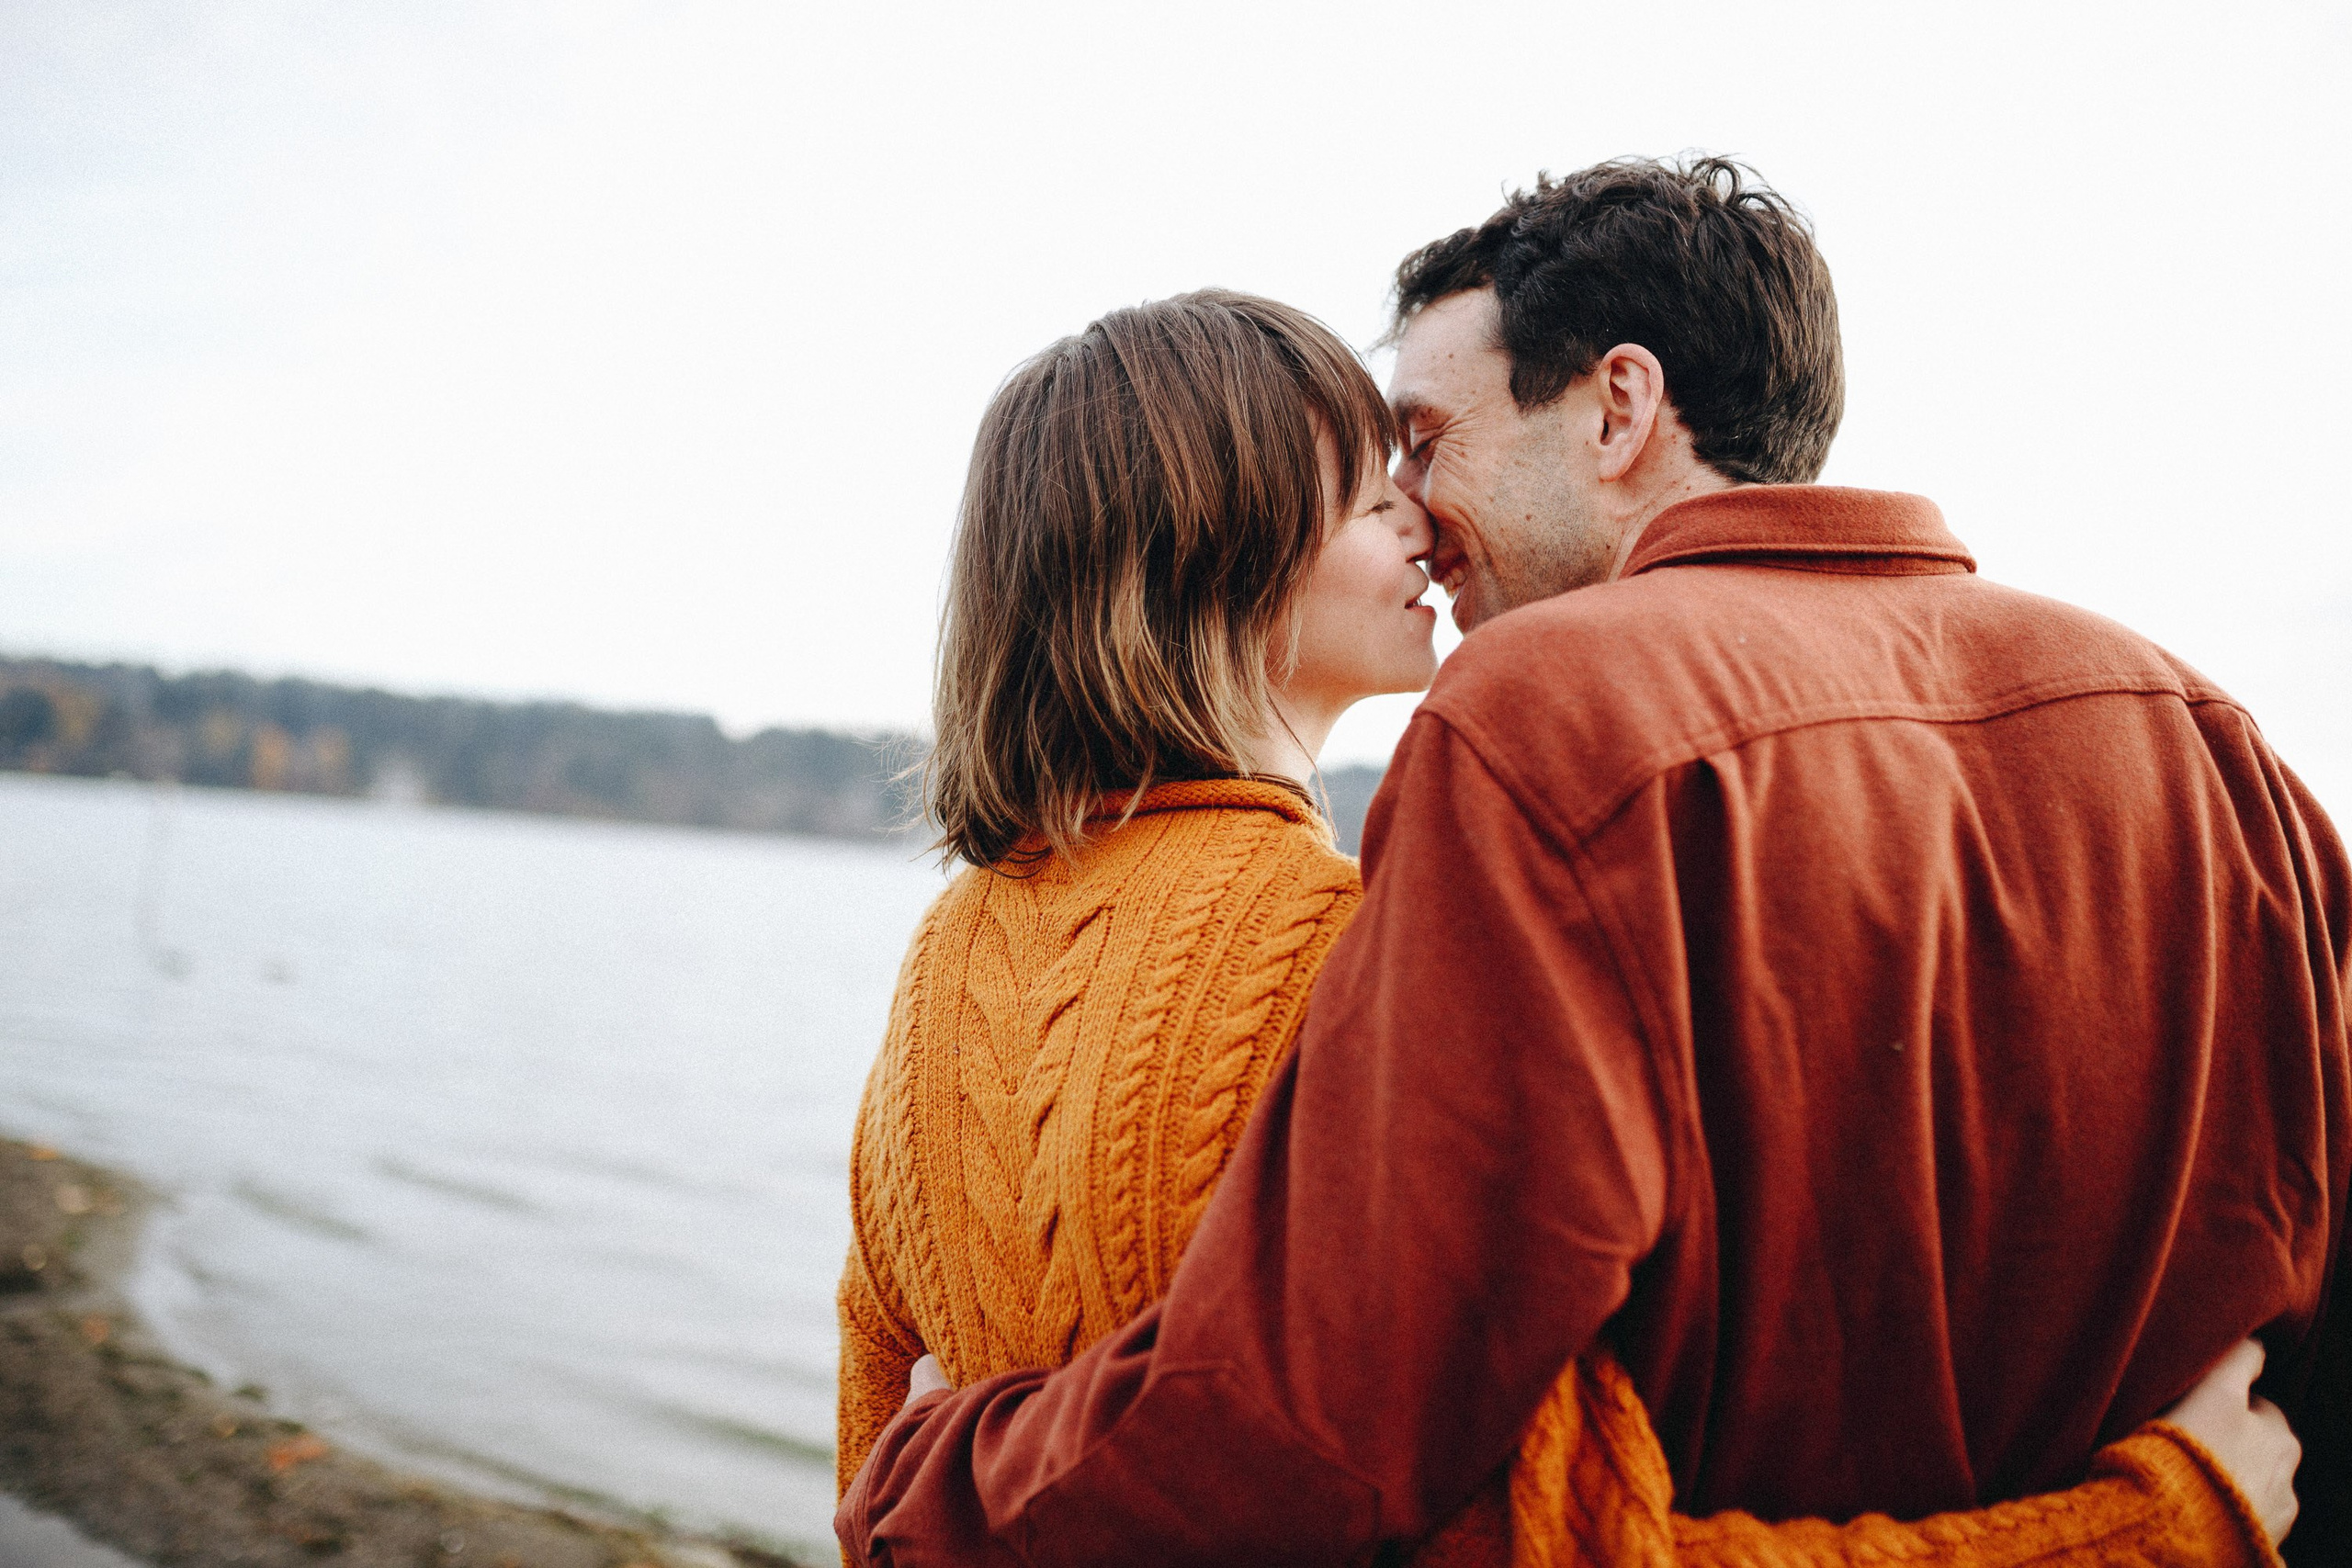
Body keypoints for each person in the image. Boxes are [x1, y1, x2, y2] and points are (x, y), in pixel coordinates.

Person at [834, 283, 2313, 1564]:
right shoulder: (1344, 952)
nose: (1423, 520)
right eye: (1373, 491)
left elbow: (869, 1445)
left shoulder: (944, 960)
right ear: (1218, 561)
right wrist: (2142, 1532)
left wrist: (933, 1491)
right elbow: (1555, 1543)